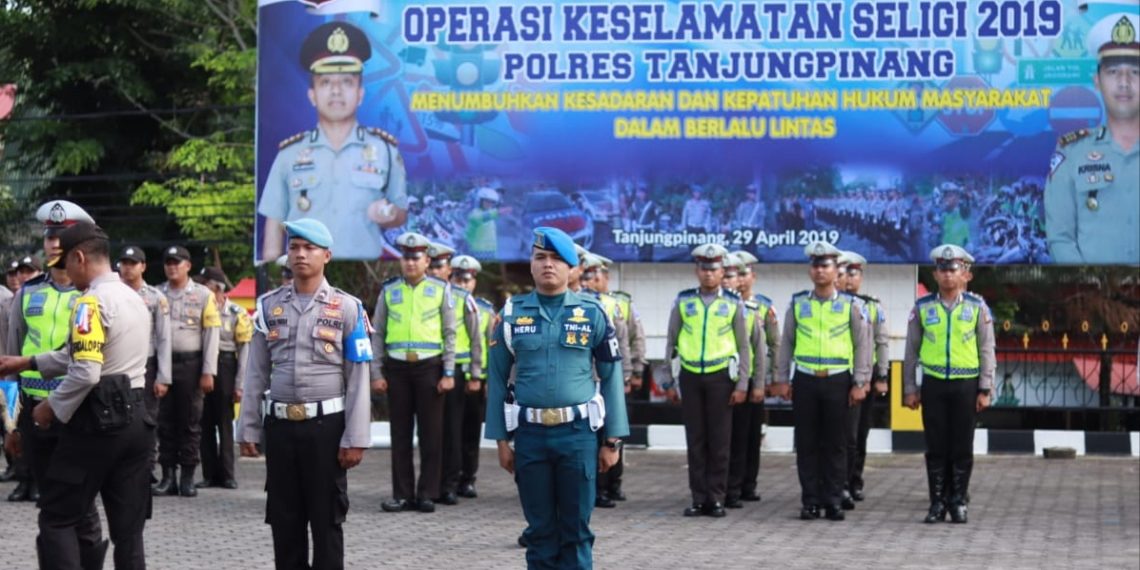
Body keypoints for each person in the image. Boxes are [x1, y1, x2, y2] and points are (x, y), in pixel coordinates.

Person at [1, 221, 153, 569]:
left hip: (98, 422)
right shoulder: (133, 297)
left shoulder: (89, 303)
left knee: (57, 516)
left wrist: (51, 407)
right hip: (137, 419)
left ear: (80, 258)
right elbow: (86, 354)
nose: (66, 273)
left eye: (66, 263)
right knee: (128, 533)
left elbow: (86, 371)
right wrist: (29, 362)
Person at [485, 226, 628, 569]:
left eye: (557, 259)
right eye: (540, 257)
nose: (548, 264)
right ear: (531, 264)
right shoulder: (511, 314)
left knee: (576, 531)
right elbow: (497, 379)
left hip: (577, 436)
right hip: (530, 437)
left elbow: (611, 377)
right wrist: (501, 441)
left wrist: (613, 440)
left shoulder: (593, 313)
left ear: (572, 268)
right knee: (540, 532)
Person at [238, 218, 373, 569]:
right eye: (294, 247)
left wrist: (356, 437)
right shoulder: (268, 306)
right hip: (281, 429)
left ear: (326, 255)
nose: (300, 254)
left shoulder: (347, 307)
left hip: (326, 429)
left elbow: (358, 377)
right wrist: (248, 427)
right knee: (284, 522)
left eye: (309, 248)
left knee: (326, 521)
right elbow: (255, 373)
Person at [258, 21, 408, 261]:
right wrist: (270, 268)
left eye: (346, 82)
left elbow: (402, 212)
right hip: (303, 272)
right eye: (326, 82)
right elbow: (274, 221)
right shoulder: (289, 154)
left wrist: (390, 215)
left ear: (360, 94)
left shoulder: (385, 150)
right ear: (312, 95)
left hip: (361, 268)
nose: (336, 91)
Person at [772, 241, 871, 522]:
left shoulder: (852, 306)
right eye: (815, 265)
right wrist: (781, 378)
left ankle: (833, 499)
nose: (820, 271)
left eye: (825, 265)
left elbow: (862, 345)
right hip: (805, 379)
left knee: (836, 443)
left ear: (836, 270)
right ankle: (811, 501)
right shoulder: (798, 303)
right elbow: (786, 343)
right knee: (807, 443)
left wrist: (860, 382)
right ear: (810, 270)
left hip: (838, 379)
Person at [903, 244, 996, 524]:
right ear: (935, 274)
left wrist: (985, 388)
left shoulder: (977, 308)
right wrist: (910, 388)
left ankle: (958, 501)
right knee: (936, 446)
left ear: (964, 274)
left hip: (966, 384)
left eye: (953, 269)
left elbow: (987, 349)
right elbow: (911, 351)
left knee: (961, 446)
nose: (947, 275)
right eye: (942, 270)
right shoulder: (923, 308)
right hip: (934, 384)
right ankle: (937, 502)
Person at [5, 200, 89, 504]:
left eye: (61, 237)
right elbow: (11, 362)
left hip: (74, 403)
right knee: (45, 496)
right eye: (49, 237)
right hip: (31, 403)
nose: (54, 244)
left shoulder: (89, 292)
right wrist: (10, 423)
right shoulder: (28, 292)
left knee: (71, 493)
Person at [661, 243, 752, 518]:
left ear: (722, 271)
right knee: (696, 439)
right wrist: (668, 381)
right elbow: (671, 342)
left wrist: (742, 384)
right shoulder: (683, 301)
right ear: (697, 271)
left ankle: (716, 498)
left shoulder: (733, 303)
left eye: (714, 269)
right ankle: (698, 498)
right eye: (704, 269)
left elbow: (744, 346)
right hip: (690, 376)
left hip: (721, 377)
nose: (709, 274)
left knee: (720, 441)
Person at [372, 232, 457, 513]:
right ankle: (402, 494)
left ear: (426, 261)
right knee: (400, 434)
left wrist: (448, 372)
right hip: (396, 368)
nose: (410, 263)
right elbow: (378, 333)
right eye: (406, 258)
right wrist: (376, 372)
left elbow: (450, 333)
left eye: (416, 258)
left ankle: (427, 493)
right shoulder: (389, 290)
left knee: (431, 434)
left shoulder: (440, 289)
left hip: (429, 367)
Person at [1044, 13, 1140, 264]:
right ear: (1097, 81)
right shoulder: (1072, 152)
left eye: (1135, 72)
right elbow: (1060, 239)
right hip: (1091, 289)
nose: (1124, 83)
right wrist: (1091, 284)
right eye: (1113, 72)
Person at [154, 245, 221, 498]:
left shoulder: (204, 295)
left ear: (188, 266)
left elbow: (211, 334)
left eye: (177, 262)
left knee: (190, 422)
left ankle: (188, 476)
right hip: (163, 363)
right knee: (164, 422)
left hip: (191, 365)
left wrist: (208, 371)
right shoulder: (157, 293)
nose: (172, 267)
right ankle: (168, 476)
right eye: (168, 262)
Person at [428, 242, 482, 506]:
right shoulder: (425, 294)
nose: (434, 271)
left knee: (453, 431)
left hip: (456, 371)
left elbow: (476, 340)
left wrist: (476, 374)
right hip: (429, 367)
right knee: (431, 432)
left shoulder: (461, 298)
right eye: (431, 266)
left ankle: (450, 484)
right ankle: (430, 483)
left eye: (439, 266)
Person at [579, 252, 633, 509]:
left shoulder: (611, 304)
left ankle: (611, 484)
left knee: (611, 432)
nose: (589, 281)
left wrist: (628, 373)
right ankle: (597, 488)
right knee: (592, 435)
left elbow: (623, 341)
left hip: (605, 377)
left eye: (594, 275)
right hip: (585, 380)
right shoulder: (575, 303)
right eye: (586, 275)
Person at [117, 245, 173, 486]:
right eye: (124, 263)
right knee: (117, 416)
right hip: (118, 364)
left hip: (146, 364)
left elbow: (164, 338)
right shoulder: (113, 293)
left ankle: (147, 467)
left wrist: (163, 377)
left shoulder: (155, 298)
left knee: (147, 418)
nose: (127, 268)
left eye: (133, 264)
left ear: (143, 267)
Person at [725, 251, 777, 508]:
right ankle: (730, 485)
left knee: (750, 436)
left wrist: (768, 380)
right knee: (731, 436)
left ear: (752, 277)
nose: (740, 280)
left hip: (754, 378)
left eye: (744, 274)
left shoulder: (763, 307)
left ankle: (748, 484)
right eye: (736, 274)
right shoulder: (725, 305)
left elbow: (773, 345)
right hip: (729, 378)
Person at [838, 251, 889, 506]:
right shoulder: (832, 305)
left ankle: (853, 481)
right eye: (844, 273)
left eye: (853, 274)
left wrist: (882, 375)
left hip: (865, 378)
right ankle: (838, 482)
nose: (848, 279)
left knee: (858, 434)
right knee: (839, 434)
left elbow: (881, 342)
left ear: (861, 277)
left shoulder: (871, 306)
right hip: (838, 374)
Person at [196, 267, 250, 489]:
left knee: (225, 422)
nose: (201, 289)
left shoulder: (237, 313)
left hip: (226, 366)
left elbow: (244, 351)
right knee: (204, 422)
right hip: (202, 366)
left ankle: (228, 474)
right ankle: (209, 474)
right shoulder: (199, 310)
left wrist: (240, 385)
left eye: (205, 285)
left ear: (216, 288)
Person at [448, 255, 494, 499]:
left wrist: (487, 380)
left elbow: (490, 346)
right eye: (458, 279)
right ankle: (451, 477)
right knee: (451, 430)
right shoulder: (447, 303)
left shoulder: (485, 309)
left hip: (477, 378)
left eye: (467, 280)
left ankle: (468, 478)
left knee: (471, 431)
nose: (463, 284)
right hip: (454, 374)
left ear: (474, 282)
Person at [466, 187, 501, 258]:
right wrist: (497, 212)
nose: (489, 204)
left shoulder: (490, 213)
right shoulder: (475, 213)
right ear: (480, 201)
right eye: (487, 201)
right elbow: (480, 218)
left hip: (491, 251)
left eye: (492, 202)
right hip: (478, 251)